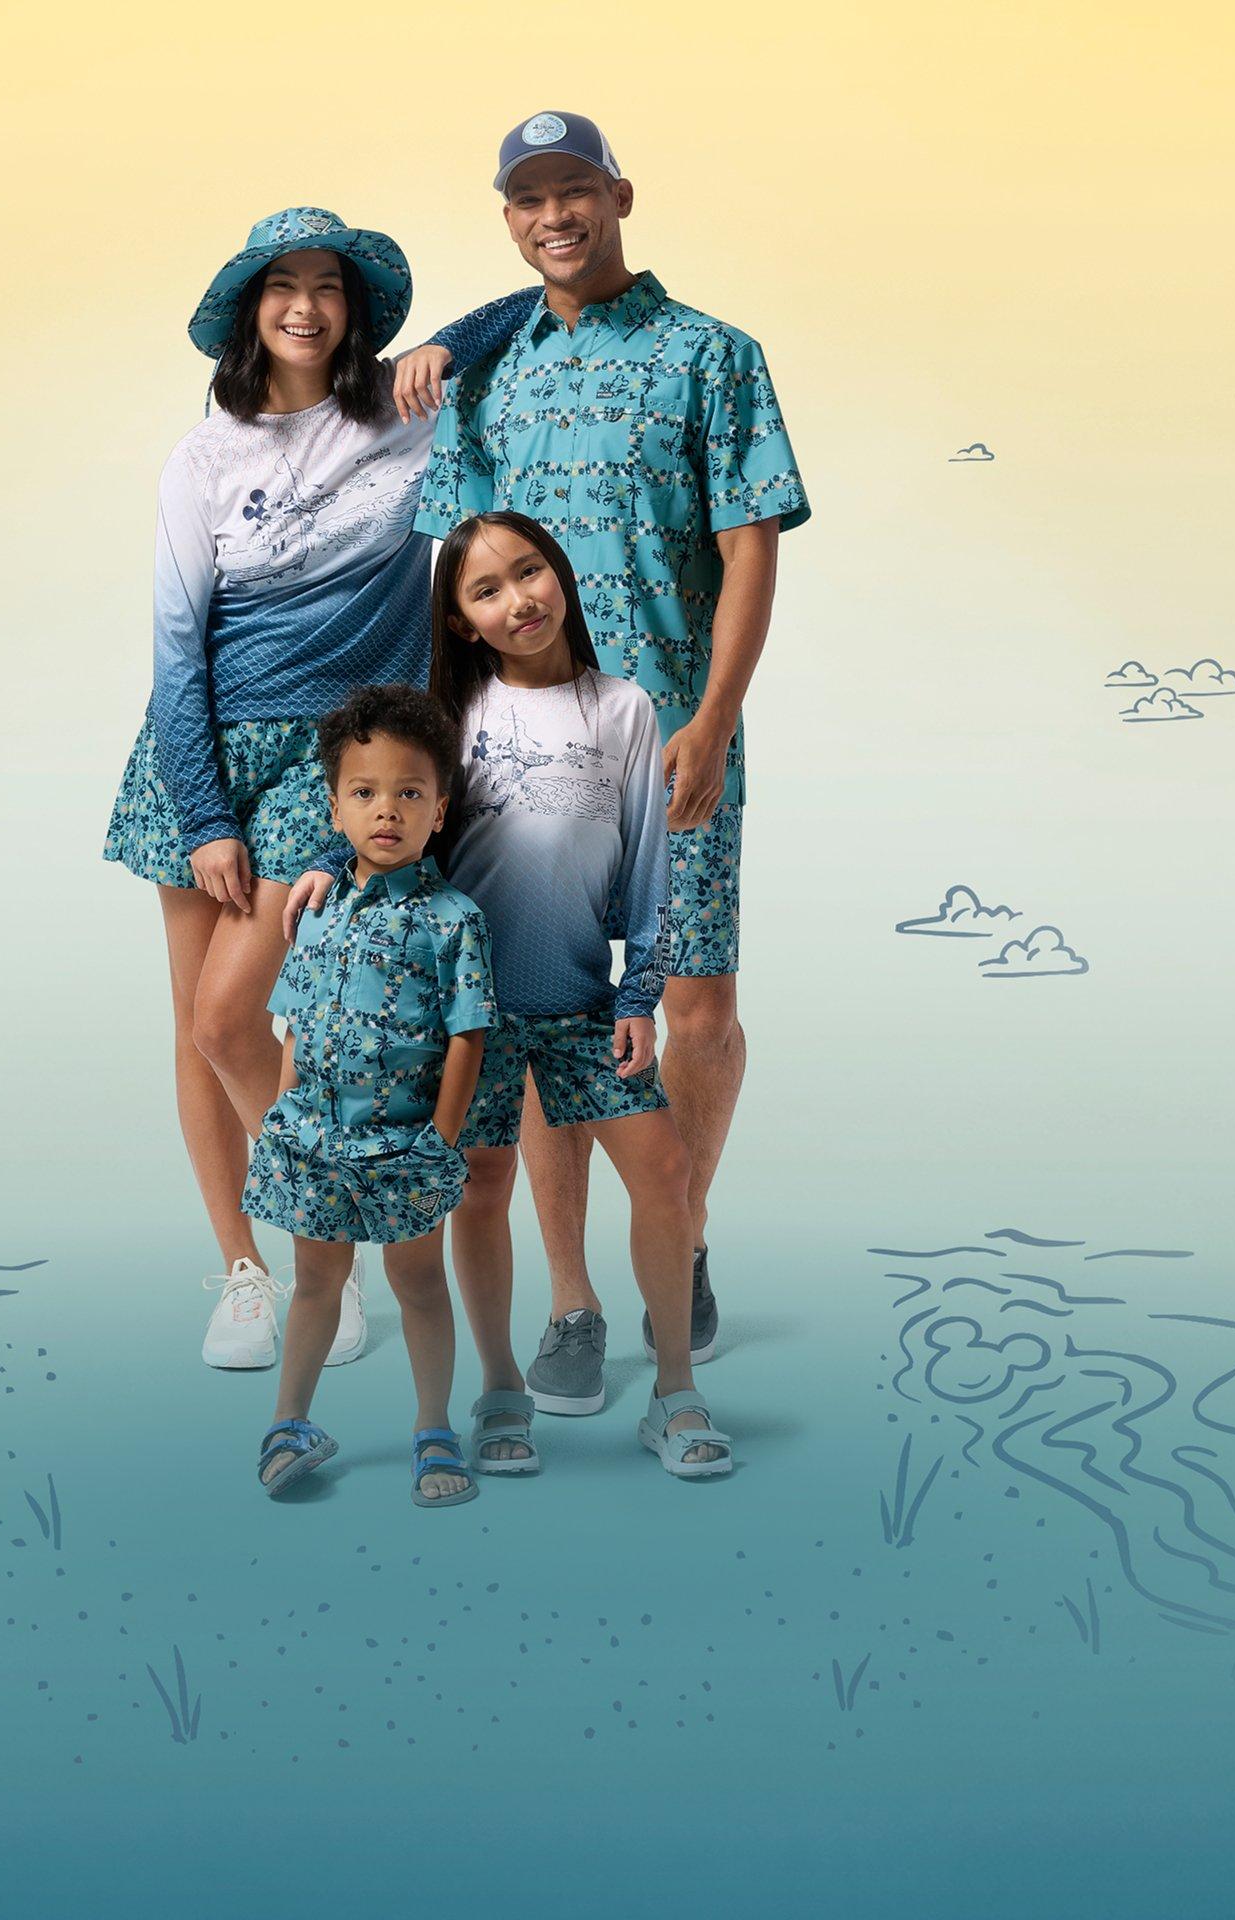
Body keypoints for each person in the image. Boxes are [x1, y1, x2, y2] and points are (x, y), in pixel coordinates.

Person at [396, 114, 810, 1411]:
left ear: (619, 195)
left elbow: (751, 549)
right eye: (528, 200)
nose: (553, 216)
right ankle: (572, 1298)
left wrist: (718, 716)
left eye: (574, 190)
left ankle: (676, 1234)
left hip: (678, 741)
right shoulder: (487, 371)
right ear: (507, 221)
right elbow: (452, 571)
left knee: (696, 1014)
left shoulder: (713, 358)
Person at [98, 207, 529, 1374]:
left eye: (327, 285)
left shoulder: (400, 419)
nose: (304, 305)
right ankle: (252, 1273)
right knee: (196, 1031)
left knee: (234, 1017)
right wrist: (201, 817)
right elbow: (176, 652)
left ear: (354, 307)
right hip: (202, 757)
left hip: (338, 758)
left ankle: (323, 1245)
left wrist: (439, 342)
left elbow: (528, 308)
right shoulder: (203, 456)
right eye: (280, 285)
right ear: (250, 309)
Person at [286, 513, 734, 1478]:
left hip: (581, 1003)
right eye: (485, 590)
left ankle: (675, 1393)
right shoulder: (457, 722)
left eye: (529, 572)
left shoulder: (623, 710)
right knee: (481, 1190)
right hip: (472, 1021)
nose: (518, 599)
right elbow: (392, 801)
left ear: (559, 574)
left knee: (660, 1172)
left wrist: (638, 994)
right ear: (459, 621)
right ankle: (498, 1392)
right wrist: (331, 861)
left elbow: (650, 869)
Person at [240, 687, 493, 1506]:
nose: (387, 810)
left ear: (440, 809)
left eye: (409, 792)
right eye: (364, 792)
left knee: (418, 1283)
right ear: (335, 807)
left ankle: (433, 1428)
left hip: (405, 1146)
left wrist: (441, 1143)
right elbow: (293, 1026)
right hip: (310, 1142)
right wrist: (281, 1120)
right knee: (315, 1282)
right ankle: (288, 1422)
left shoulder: (455, 920)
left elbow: (468, 1034)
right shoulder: (312, 910)